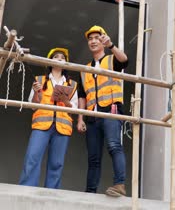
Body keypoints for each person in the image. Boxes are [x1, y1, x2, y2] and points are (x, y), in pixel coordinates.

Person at [76, 25, 128, 197]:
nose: (93, 41)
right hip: (92, 117)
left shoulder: (111, 59)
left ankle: (119, 184)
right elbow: (82, 97)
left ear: (102, 40)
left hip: (111, 110)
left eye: (97, 38)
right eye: (90, 39)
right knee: (93, 157)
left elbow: (125, 60)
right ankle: (90, 191)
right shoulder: (85, 70)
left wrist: (111, 45)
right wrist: (80, 119)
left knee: (114, 146)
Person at [20, 48, 78, 189]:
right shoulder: (39, 80)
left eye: (62, 57)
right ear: (49, 61)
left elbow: (75, 108)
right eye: (56, 57)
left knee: (56, 163)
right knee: (32, 158)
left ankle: (52, 193)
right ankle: (27, 189)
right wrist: (36, 92)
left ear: (66, 62)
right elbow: (33, 105)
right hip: (42, 125)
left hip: (62, 127)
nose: (59, 59)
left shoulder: (72, 84)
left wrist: (66, 101)